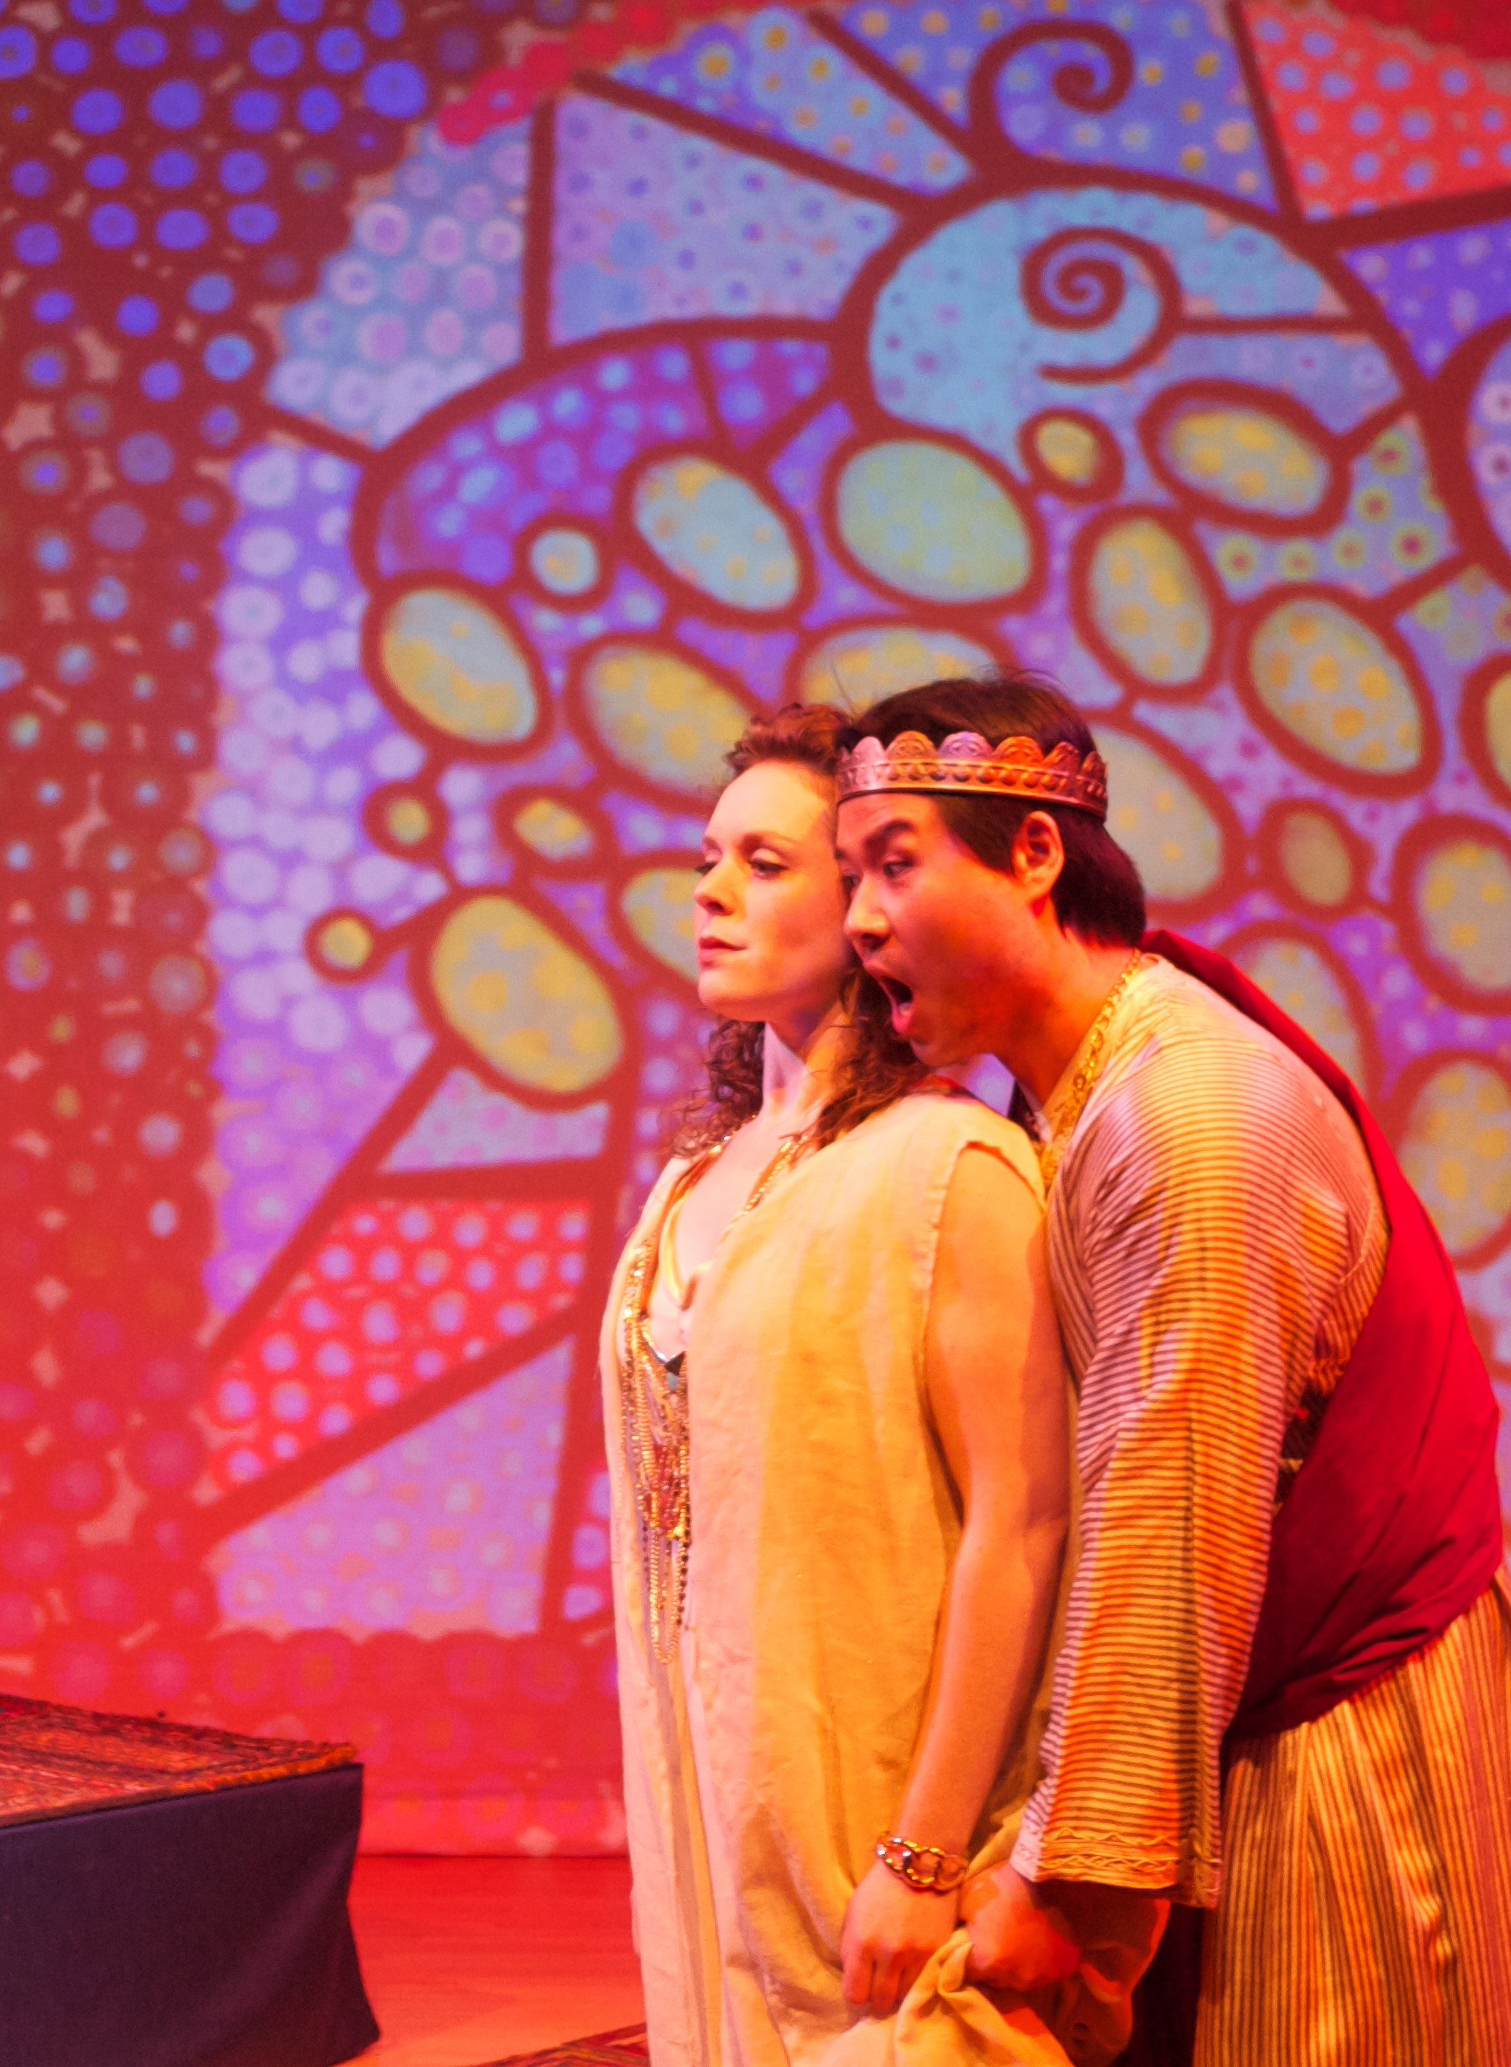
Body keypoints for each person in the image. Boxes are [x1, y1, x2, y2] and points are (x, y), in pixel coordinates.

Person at [832, 674, 1511, 2065]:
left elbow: (1171, 1514)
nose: (861, 918)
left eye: (896, 864)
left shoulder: (1187, 1114)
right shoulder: (1094, 1083)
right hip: (1237, 1713)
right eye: (849, 876)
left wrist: (1069, 1877)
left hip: (1339, 1729)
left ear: (1033, 854)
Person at [603, 703, 1081, 2067]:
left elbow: (1022, 1525)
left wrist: (925, 1851)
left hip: (875, 1819)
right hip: (712, 1802)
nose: (712, 891)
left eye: (765, 864)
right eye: (708, 859)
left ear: (870, 902)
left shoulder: (950, 1169)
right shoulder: (689, 1185)